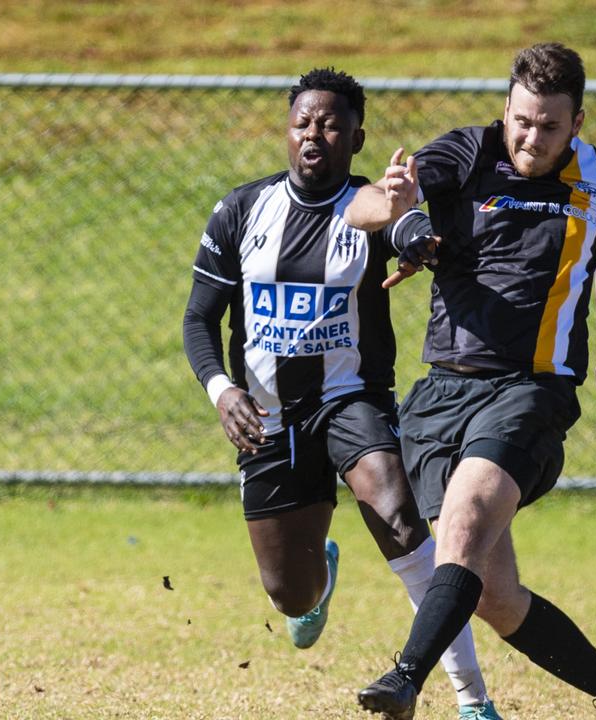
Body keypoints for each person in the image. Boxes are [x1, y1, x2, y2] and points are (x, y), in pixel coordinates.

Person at [343, 44, 596, 720]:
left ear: (577, 121)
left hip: (532, 392)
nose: (530, 138)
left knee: (459, 531)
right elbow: (362, 208)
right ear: (506, 109)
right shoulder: (468, 153)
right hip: (442, 393)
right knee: (493, 592)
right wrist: (399, 214)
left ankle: (405, 680)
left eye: (549, 126)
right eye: (521, 120)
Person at [182, 68, 503, 719]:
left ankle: (473, 702)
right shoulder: (242, 210)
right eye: (303, 121)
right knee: (288, 597)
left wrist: (421, 239)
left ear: (356, 137)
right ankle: (317, 580)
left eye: (330, 124)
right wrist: (222, 391)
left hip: (350, 400)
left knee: (399, 520)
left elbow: (405, 227)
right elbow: (198, 319)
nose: (314, 134)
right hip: (267, 416)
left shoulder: (367, 205)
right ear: (287, 129)